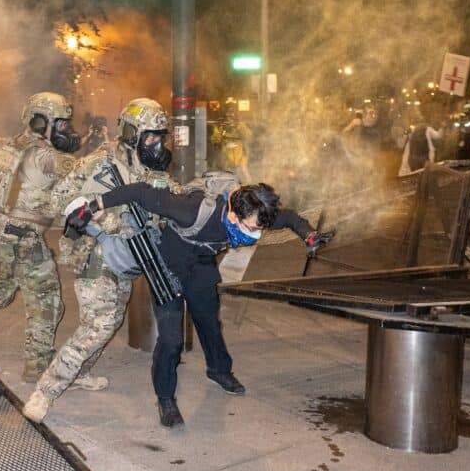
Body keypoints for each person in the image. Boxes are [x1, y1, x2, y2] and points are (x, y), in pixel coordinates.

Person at [27, 179, 331, 428]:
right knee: (171, 340)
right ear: (234, 215)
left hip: (200, 266)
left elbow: (288, 217)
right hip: (167, 266)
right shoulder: (190, 211)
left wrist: (308, 235)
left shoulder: (256, 212)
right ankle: (166, 398)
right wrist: (94, 206)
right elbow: (140, 192)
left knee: (209, 321)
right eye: (251, 227)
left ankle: (219, 371)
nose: (256, 233)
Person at [24, 98, 180, 402]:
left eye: (160, 138)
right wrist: (102, 218)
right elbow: (57, 202)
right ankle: (45, 392)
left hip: (129, 256)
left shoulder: (153, 172)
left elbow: (174, 197)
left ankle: (79, 373)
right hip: (97, 253)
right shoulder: (99, 164)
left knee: (105, 324)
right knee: (101, 323)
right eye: (150, 137)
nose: (157, 146)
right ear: (132, 133)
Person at [0, 92, 80, 382]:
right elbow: (79, 173)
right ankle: (38, 366)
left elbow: (3, 195)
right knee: (46, 299)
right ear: (38, 122)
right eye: (58, 124)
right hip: (23, 239)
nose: (65, 130)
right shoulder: (45, 156)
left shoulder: (11, 148)